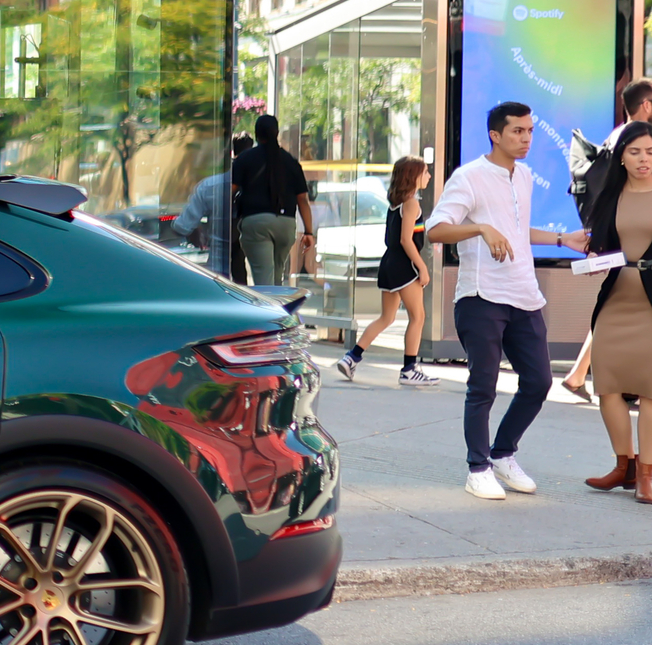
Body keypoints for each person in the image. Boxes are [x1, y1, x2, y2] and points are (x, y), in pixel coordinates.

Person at [427, 101, 592, 499]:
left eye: (531, 131)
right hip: (482, 296)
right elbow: (435, 229)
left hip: (524, 294)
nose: (526, 138)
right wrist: (480, 228)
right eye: (518, 131)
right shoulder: (469, 177)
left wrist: (560, 239)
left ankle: (503, 454)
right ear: (495, 135)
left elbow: (516, 230)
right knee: (482, 384)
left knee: (538, 381)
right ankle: (478, 467)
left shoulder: (525, 178)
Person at [561, 78, 652, 396]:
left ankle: (578, 373)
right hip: (631, 240)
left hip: (623, 239)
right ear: (647, 105)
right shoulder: (635, 141)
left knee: (615, 306)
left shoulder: (619, 137)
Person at [577, 120, 652, 495]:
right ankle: (624, 465)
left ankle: (647, 476)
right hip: (616, 300)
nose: (643, 160)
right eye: (635, 152)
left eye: (651, 153)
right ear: (621, 156)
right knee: (607, 386)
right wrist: (593, 259)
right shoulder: (610, 196)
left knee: (650, 390)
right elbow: (601, 249)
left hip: (650, 307)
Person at [334, 156, 434, 386]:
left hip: (389, 264)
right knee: (418, 316)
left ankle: (352, 357)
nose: (428, 175)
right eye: (425, 171)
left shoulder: (395, 203)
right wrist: (422, 267)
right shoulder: (411, 203)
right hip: (404, 265)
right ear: (413, 176)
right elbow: (406, 240)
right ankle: (410, 369)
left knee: (387, 317)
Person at [232, 114, 314, 285]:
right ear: (276, 133)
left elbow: (230, 191)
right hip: (285, 224)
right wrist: (308, 232)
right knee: (277, 277)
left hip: (257, 223)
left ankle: (269, 310)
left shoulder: (245, 159)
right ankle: (279, 309)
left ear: (256, 134)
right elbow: (303, 200)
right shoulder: (291, 162)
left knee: (264, 280)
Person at [186, 134, 251, 277]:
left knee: (222, 260)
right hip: (240, 221)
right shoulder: (250, 166)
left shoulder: (230, 168)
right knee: (238, 261)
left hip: (226, 221)